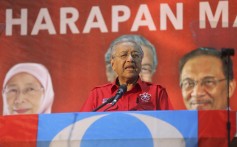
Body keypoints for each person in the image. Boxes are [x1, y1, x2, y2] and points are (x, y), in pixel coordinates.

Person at [81, 38, 173, 112]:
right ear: (113, 64)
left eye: (135, 55)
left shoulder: (157, 92)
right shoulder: (98, 94)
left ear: (140, 62)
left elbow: (171, 126)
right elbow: (82, 126)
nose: (130, 59)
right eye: (123, 55)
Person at [179, 47, 237, 147]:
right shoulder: (173, 134)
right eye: (188, 83)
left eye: (208, 82)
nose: (197, 93)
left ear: (230, 88)